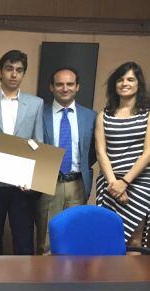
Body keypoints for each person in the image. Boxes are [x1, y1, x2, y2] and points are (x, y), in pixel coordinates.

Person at [0, 50, 44, 255]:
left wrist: (34, 180)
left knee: (23, 238)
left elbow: (38, 142)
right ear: (0, 71)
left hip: (21, 185)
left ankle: (23, 285)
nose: (14, 74)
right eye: (9, 69)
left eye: (19, 70)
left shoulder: (35, 103)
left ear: (23, 74)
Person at [35, 67, 96, 255]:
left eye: (70, 84)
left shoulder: (90, 116)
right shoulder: (39, 113)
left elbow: (93, 151)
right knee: (46, 240)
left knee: (74, 237)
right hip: (48, 183)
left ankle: (70, 283)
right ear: (51, 87)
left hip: (77, 183)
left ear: (77, 87)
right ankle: (44, 281)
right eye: (59, 84)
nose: (65, 88)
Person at [95, 62, 150, 248]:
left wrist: (124, 182)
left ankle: (131, 278)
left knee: (134, 240)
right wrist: (114, 184)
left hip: (139, 184)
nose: (124, 83)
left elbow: (148, 153)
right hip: (109, 185)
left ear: (138, 84)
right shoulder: (104, 115)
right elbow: (101, 152)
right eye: (120, 79)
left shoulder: (147, 114)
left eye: (130, 79)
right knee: (107, 238)